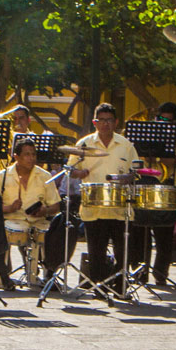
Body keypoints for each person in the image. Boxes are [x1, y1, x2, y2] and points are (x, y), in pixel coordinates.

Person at [69, 103, 140, 288]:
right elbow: (71, 170)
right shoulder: (84, 144)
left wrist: (128, 177)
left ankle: (120, 285)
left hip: (120, 206)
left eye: (109, 120)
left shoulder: (126, 145)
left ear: (116, 122)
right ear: (95, 122)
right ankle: (98, 286)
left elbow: (137, 171)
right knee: (96, 251)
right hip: (94, 206)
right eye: (101, 120)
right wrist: (79, 173)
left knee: (123, 250)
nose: (105, 124)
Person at [0, 138, 62, 290]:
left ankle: (49, 272)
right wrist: (9, 207)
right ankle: (3, 274)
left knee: (58, 229)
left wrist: (45, 211)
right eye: (27, 155)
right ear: (16, 157)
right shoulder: (2, 177)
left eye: (33, 154)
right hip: (12, 219)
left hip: (38, 221)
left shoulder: (45, 176)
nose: (31, 158)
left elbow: (55, 205)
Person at [149, 101, 176, 286]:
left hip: (168, 186)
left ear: (175, 121)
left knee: (164, 235)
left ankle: (160, 273)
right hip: (147, 184)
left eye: (168, 120)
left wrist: (160, 156)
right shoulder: (147, 132)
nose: (163, 123)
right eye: (160, 119)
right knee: (140, 230)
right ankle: (138, 270)